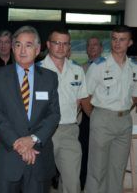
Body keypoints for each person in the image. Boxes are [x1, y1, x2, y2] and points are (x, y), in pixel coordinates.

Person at [0, 25, 60, 193]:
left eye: (28, 45)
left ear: (37, 49)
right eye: (18, 45)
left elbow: (54, 114)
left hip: (39, 158)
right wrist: (19, 144)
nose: (22, 50)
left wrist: (33, 139)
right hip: (7, 159)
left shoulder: (49, 78)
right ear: (12, 48)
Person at [85, 25, 137, 193]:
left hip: (124, 120)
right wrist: (94, 116)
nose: (117, 43)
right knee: (97, 170)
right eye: (114, 39)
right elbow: (85, 95)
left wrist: (123, 109)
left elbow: (134, 96)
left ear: (130, 43)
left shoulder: (134, 67)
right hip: (102, 119)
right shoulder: (98, 65)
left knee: (117, 170)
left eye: (122, 39)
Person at [37, 28, 89, 193]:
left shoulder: (77, 70)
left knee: (72, 182)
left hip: (69, 131)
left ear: (69, 47)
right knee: (39, 181)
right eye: (56, 43)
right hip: (43, 131)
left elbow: (80, 100)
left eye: (65, 43)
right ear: (48, 45)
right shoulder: (36, 70)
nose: (60, 47)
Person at [79, 36, 103, 190]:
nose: (92, 48)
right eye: (89, 45)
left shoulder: (106, 67)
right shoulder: (80, 69)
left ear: (101, 48)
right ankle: (82, 183)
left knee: (99, 155)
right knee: (83, 151)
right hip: (84, 117)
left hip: (101, 116)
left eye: (95, 45)